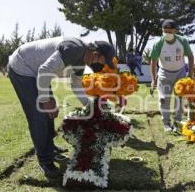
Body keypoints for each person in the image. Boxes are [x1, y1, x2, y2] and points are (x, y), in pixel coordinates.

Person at [7, 37, 115, 178]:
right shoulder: (73, 49)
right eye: (99, 62)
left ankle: (50, 147)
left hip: (38, 73)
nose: (97, 66)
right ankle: (45, 160)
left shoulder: (82, 61)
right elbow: (44, 70)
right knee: (39, 114)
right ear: (95, 53)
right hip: (22, 67)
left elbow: (76, 86)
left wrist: (91, 107)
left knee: (49, 113)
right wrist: (46, 100)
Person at [150, 19, 194, 132]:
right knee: (164, 99)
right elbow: (153, 62)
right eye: (165, 31)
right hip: (164, 73)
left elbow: (190, 56)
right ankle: (166, 123)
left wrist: (191, 74)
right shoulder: (158, 43)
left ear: (175, 31)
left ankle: (177, 121)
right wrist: (153, 79)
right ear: (162, 30)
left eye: (170, 31)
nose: (167, 34)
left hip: (180, 73)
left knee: (179, 98)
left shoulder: (182, 41)